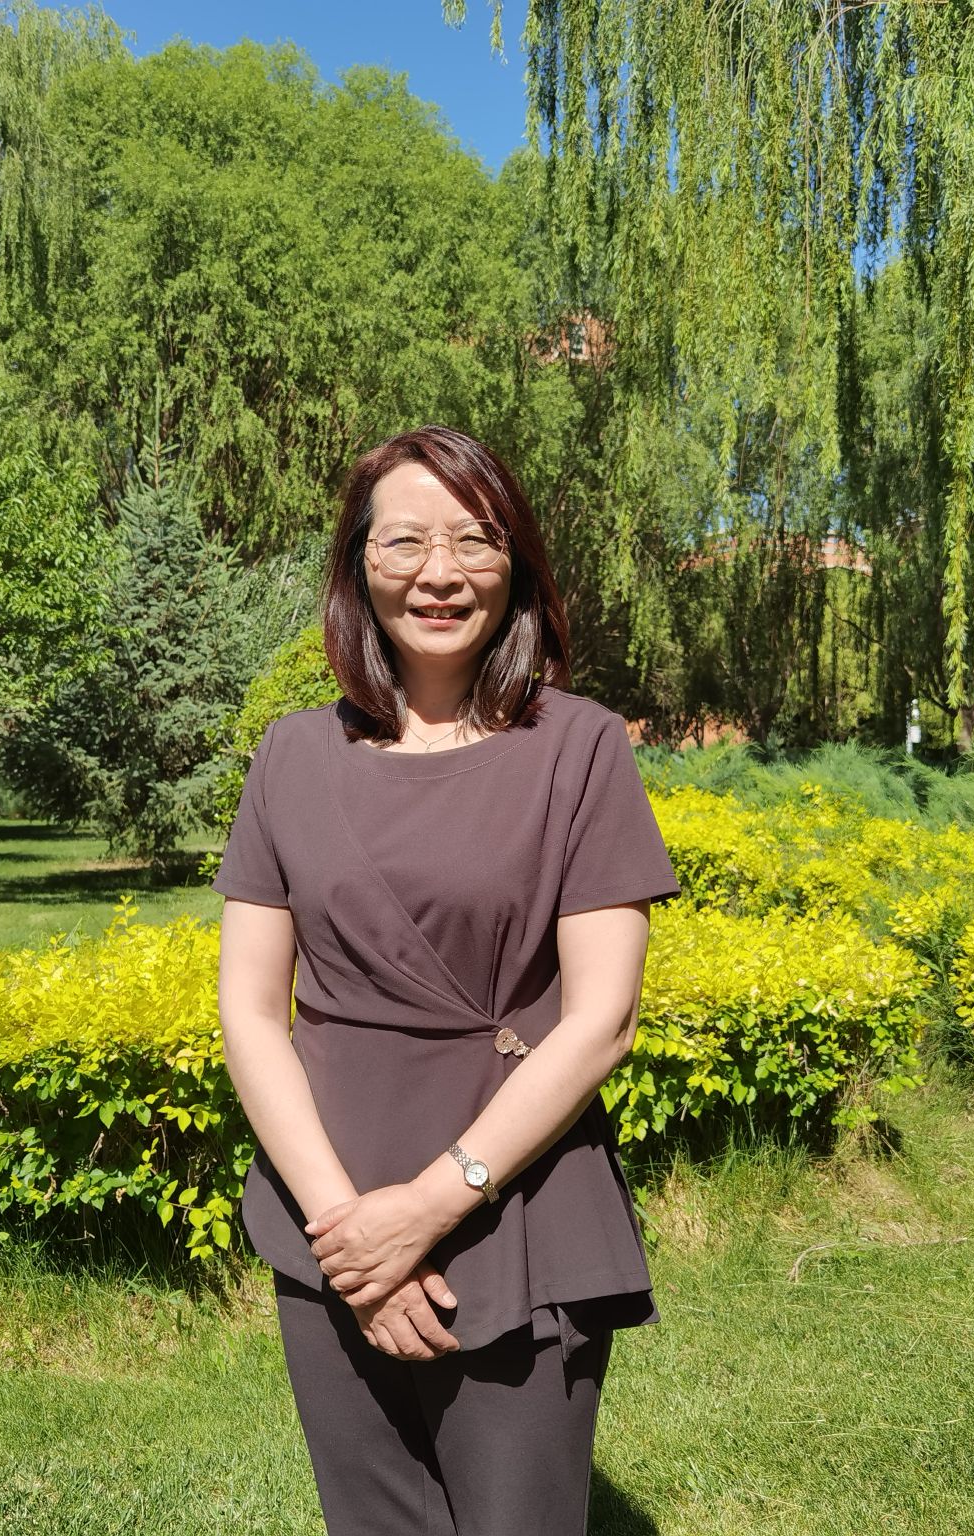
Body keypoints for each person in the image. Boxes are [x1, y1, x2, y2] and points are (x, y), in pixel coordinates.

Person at [212, 424, 681, 1535]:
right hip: (329, 1216)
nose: (439, 572)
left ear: (514, 565)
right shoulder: (289, 756)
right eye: (406, 541)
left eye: (474, 541)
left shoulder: (580, 748)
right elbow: (250, 1010)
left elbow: (602, 1019)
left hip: (510, 1203)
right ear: (358, 564)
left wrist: (424, 1210)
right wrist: (350, 1236)